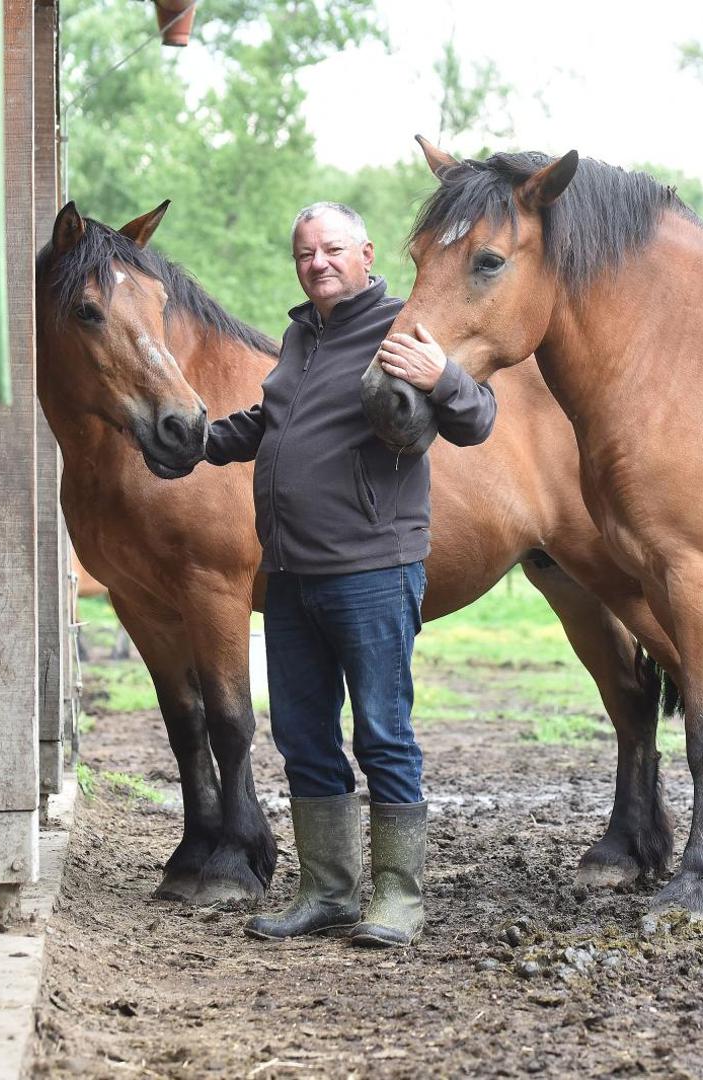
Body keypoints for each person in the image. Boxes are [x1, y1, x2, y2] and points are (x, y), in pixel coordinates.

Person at [199, 202, 497, 946]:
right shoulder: (304, 334)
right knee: (303, 735)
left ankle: (398, 896)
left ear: (365, 253)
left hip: (371, 569)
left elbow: (477, 419)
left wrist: (445, 375)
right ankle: (328, 891)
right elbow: (273, 424)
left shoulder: (403, 326)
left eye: (332, 249)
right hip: (291, 574)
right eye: (305, 254)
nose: (318, 263)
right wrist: (198, 444)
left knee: (383, 733)